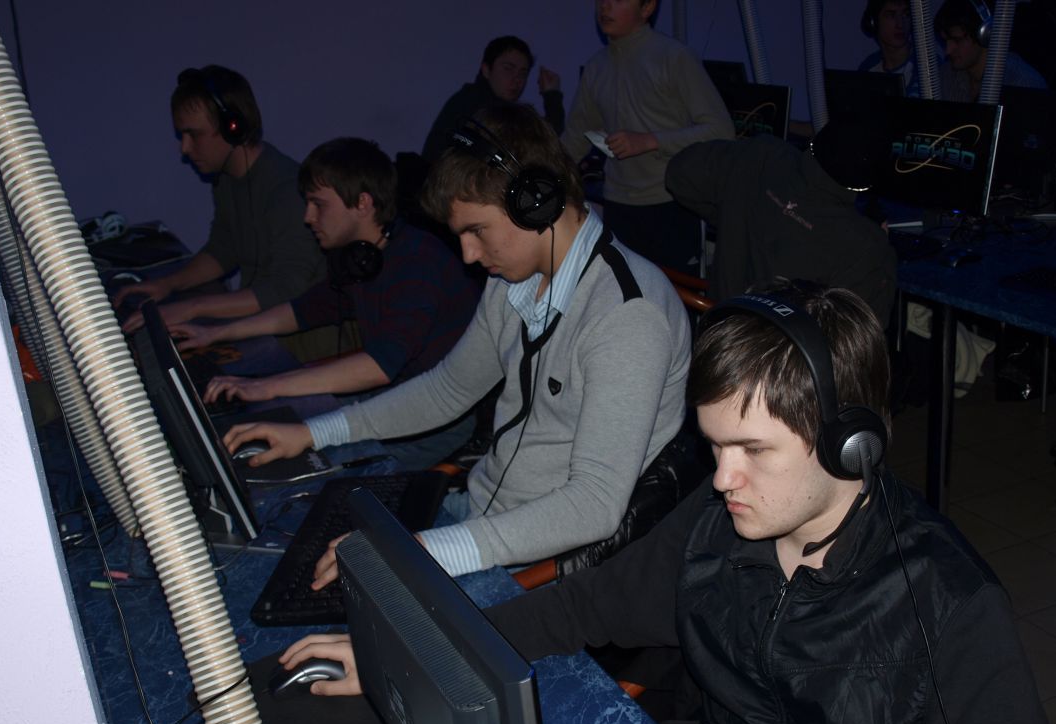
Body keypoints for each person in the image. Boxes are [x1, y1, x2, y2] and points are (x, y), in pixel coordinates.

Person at [274, 280, 1056, 724]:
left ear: (851, 446)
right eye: (715, 446)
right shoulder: (720, 521)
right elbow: (585, 605)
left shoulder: (949, 605)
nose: (722, 478)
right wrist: (418, 652)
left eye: (752, 450)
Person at [224, 103, 691, 578]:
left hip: (533, 562)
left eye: (476, 230)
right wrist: (313, 433)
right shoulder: (513, 279)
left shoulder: (628, 316)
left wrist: (425, 552)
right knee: (278, 544)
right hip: (474, 516)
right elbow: (448, 389)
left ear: (536, 201)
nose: (468, 254)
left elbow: (594, 504)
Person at [169, 138, 477, 468]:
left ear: (362, 203)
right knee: (272, 418)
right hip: (396, 395)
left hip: (439, 420)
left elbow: (379, 366)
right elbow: (302, 311)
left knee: (308, 462)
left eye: (318, 204)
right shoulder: (361, 259)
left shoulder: (417, 263)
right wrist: (216, 333)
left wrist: (265, 386)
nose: (308, 217)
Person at [115, 66, 324, 332]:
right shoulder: (227, 178)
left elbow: (286, 289)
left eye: (194, 135)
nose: (185, 148)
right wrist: (167, 285)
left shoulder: (287, 191)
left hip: (303, 336)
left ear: (232, 127)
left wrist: (192, 307)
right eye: (182, 135)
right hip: (264, 324)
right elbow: (224, 250)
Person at [665, 119, 897, 325]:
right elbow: (861, 340)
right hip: (784, 358)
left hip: (719, 340)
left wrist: (734, 214)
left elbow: (679, 173)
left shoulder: (762, 154)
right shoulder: (865, 246)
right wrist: (880, 253)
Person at [561, 0, 734, 272]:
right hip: (619, 206)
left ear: (647, 8)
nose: (605, 6)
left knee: (676, 294)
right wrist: (539, 172)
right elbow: (574, 138)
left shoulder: (675, 57)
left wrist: (649, 141)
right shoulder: (596, 67)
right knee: (622, 294)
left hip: (672, 204)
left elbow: (721, 130)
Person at [421, 36, 564, 164]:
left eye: (523, 73)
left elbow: (542, 139)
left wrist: (551, 94)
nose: (517, 79)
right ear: (486, 69)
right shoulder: (475, 103)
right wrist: (552, 96)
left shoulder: (492, 105)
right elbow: (541, 139)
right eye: (508, 68)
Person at [934, 0, 1046, 101]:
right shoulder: (945, 75)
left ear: (984, 34)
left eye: (957, 40)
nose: (948, 50)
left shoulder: (1023, 82)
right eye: (945, 41)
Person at [857, 0, 921, 96]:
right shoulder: (868, 67)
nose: (900, 24)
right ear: (873, 22)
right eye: (891, 15)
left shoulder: (926, 65)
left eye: (906, 14)